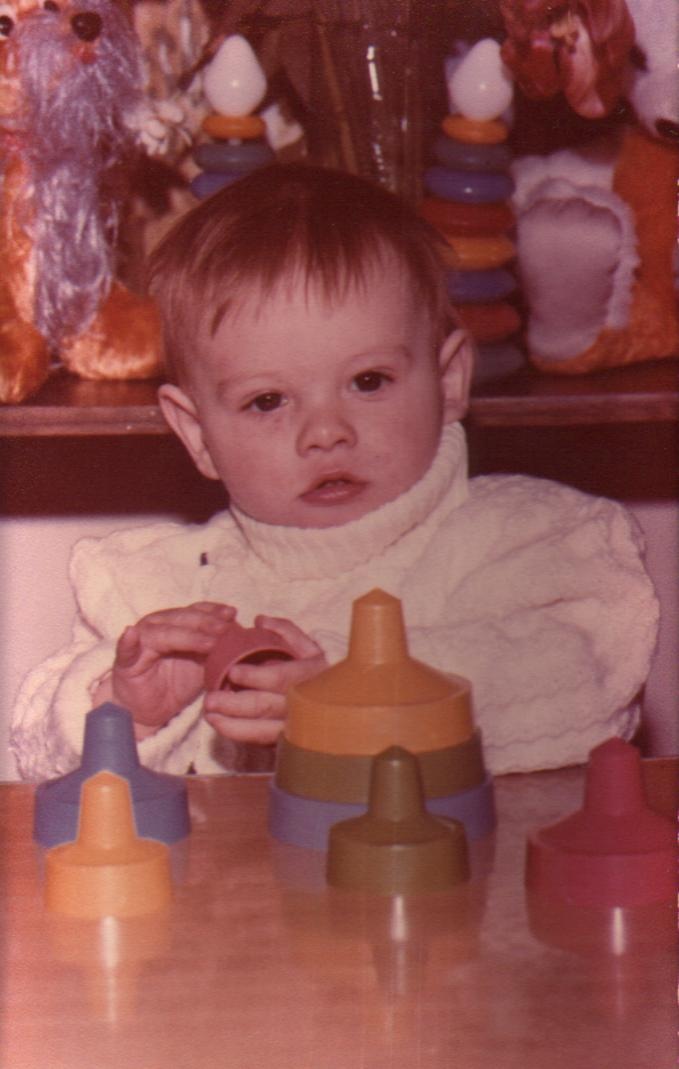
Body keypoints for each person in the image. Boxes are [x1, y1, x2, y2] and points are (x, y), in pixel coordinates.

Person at [11, 163, 658, 780]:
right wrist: (127, 713)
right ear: (198, 434)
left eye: (367, 381)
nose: (325, 432)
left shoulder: (530, 541)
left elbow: (589, 684)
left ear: (448, 380)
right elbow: (41, 758)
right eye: (268, 400)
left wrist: (356, 695)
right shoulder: (163, 588)